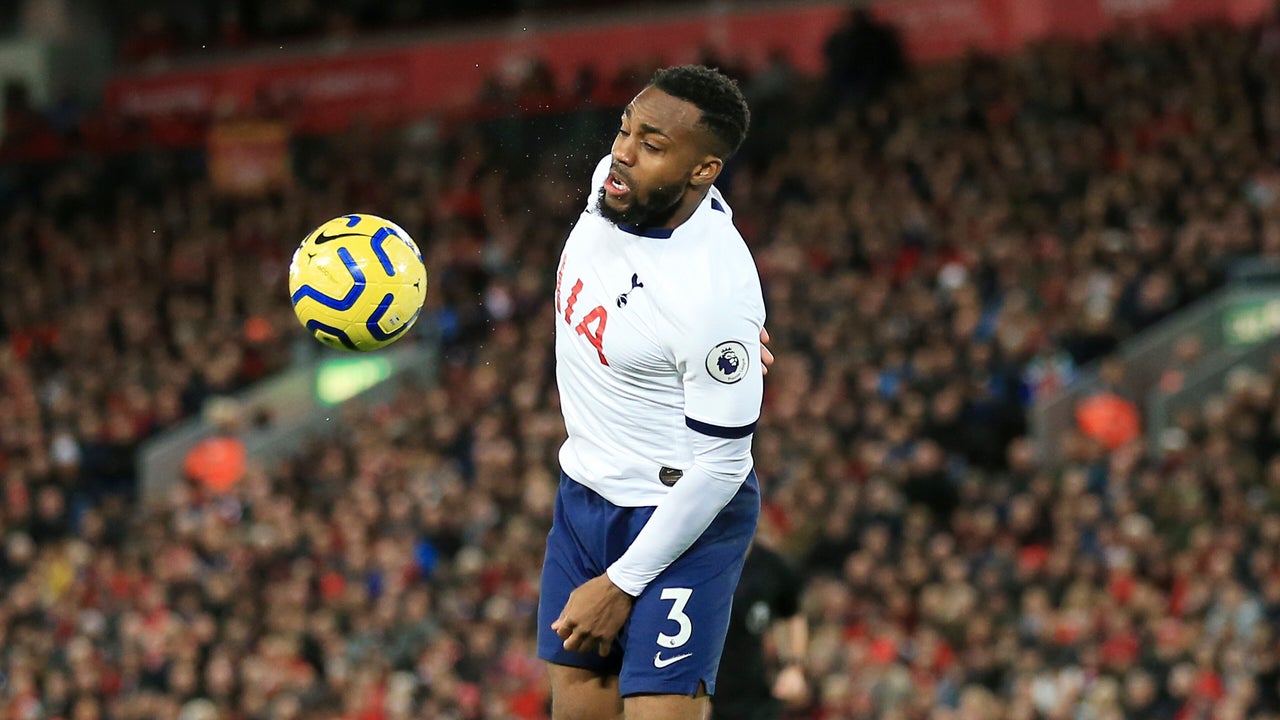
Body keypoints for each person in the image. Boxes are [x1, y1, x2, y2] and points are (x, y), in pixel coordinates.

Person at [536, 64, 769, 720]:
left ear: (704, 171)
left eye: (652, 145)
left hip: (681, 512)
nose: (623, 153)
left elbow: (723, 465)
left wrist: (621, 583)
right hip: (586, 493)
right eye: (624, 129)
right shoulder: (613, 188)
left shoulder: (712, 301)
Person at [711, 526, 809, 720]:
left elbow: (792, 614)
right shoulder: (703, 563)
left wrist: (794, 667)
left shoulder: (772, 567)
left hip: (753, 692)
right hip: (706, 687)